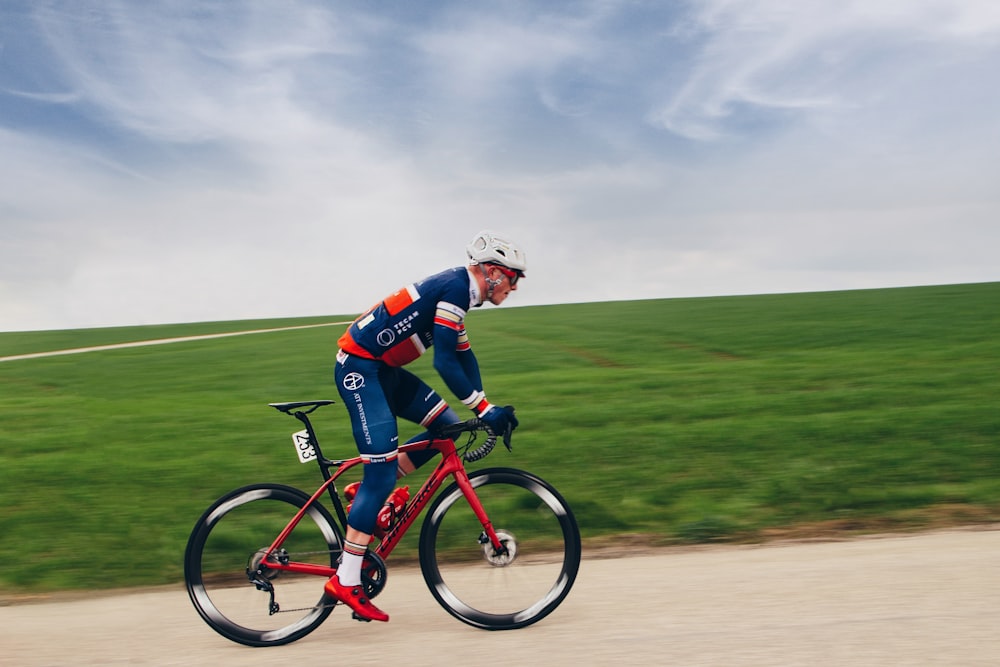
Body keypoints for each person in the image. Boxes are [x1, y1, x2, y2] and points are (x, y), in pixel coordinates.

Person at [325, 230, 525, 622]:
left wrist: (489, 403)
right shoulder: (455, 288)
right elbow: (445, 364)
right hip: (361, 370)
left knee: (447, 428)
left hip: (382, 370)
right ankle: (346, 580)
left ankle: (369, 498)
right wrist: (483, 410)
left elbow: (464, 357)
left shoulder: (460, 294)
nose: (515, 288)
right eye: (515, 279)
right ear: (495, 273)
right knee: (380, 473)